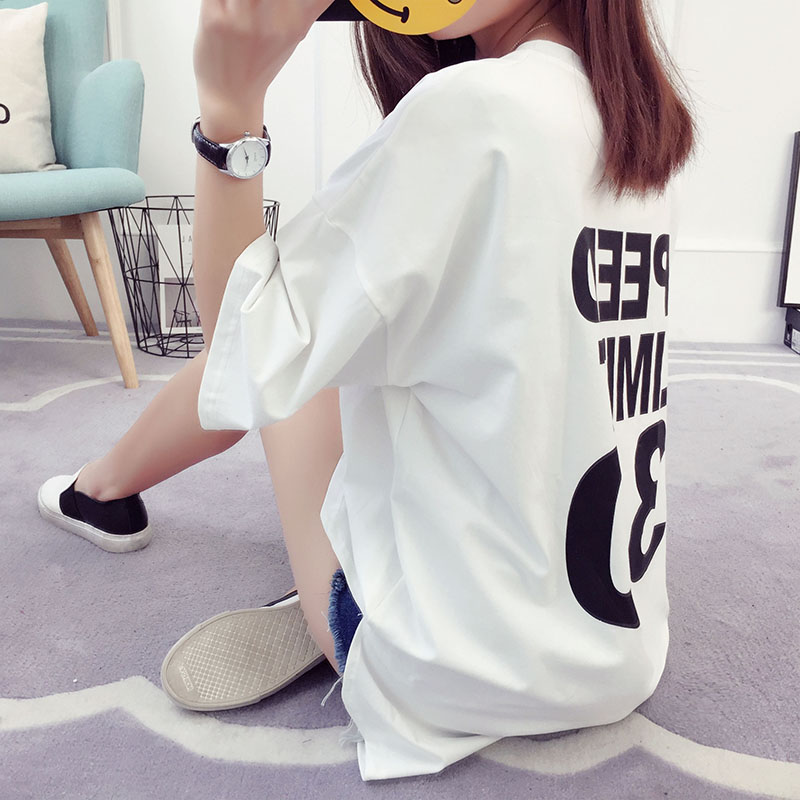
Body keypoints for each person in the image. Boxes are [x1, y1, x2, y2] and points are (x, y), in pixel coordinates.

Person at [36, 0, 699, 782]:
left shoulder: (473, 111)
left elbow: (241, 352)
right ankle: (105, 488)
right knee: (338, 329)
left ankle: (101, 491)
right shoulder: (633, 123)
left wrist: (229, 111)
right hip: (618, 658)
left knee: (292, 345)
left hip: (447, 674)